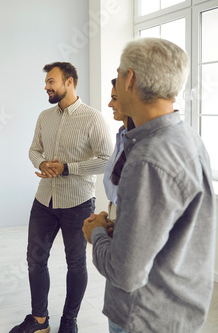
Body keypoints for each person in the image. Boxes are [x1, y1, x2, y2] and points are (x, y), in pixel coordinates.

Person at [83, 38, 216, 333]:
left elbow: (125, 273)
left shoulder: (147, 160)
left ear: (129, 79)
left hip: (143, 317)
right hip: (175, 310)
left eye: (118, 75)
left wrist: (97, 234)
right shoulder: (187, 138)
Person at [11, 62, 112, 333]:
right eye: (46, 82)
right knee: (35, 259)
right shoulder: (45, 116)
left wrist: (68, 168)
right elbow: (34, 149)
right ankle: (40, 320)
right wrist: (42, 163)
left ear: (69, 82)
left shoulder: (93, 118)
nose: (46, 86)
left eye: (51, 81)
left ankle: (70, 320)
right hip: (44, 201)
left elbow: (106, 160)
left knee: (76, 263)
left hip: (78, 203)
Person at [103, 78, 135, 221]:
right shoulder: (122, 135)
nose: (110, 104)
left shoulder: (138, 143)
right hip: (114, 208)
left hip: (125, 214)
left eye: (114, 99)